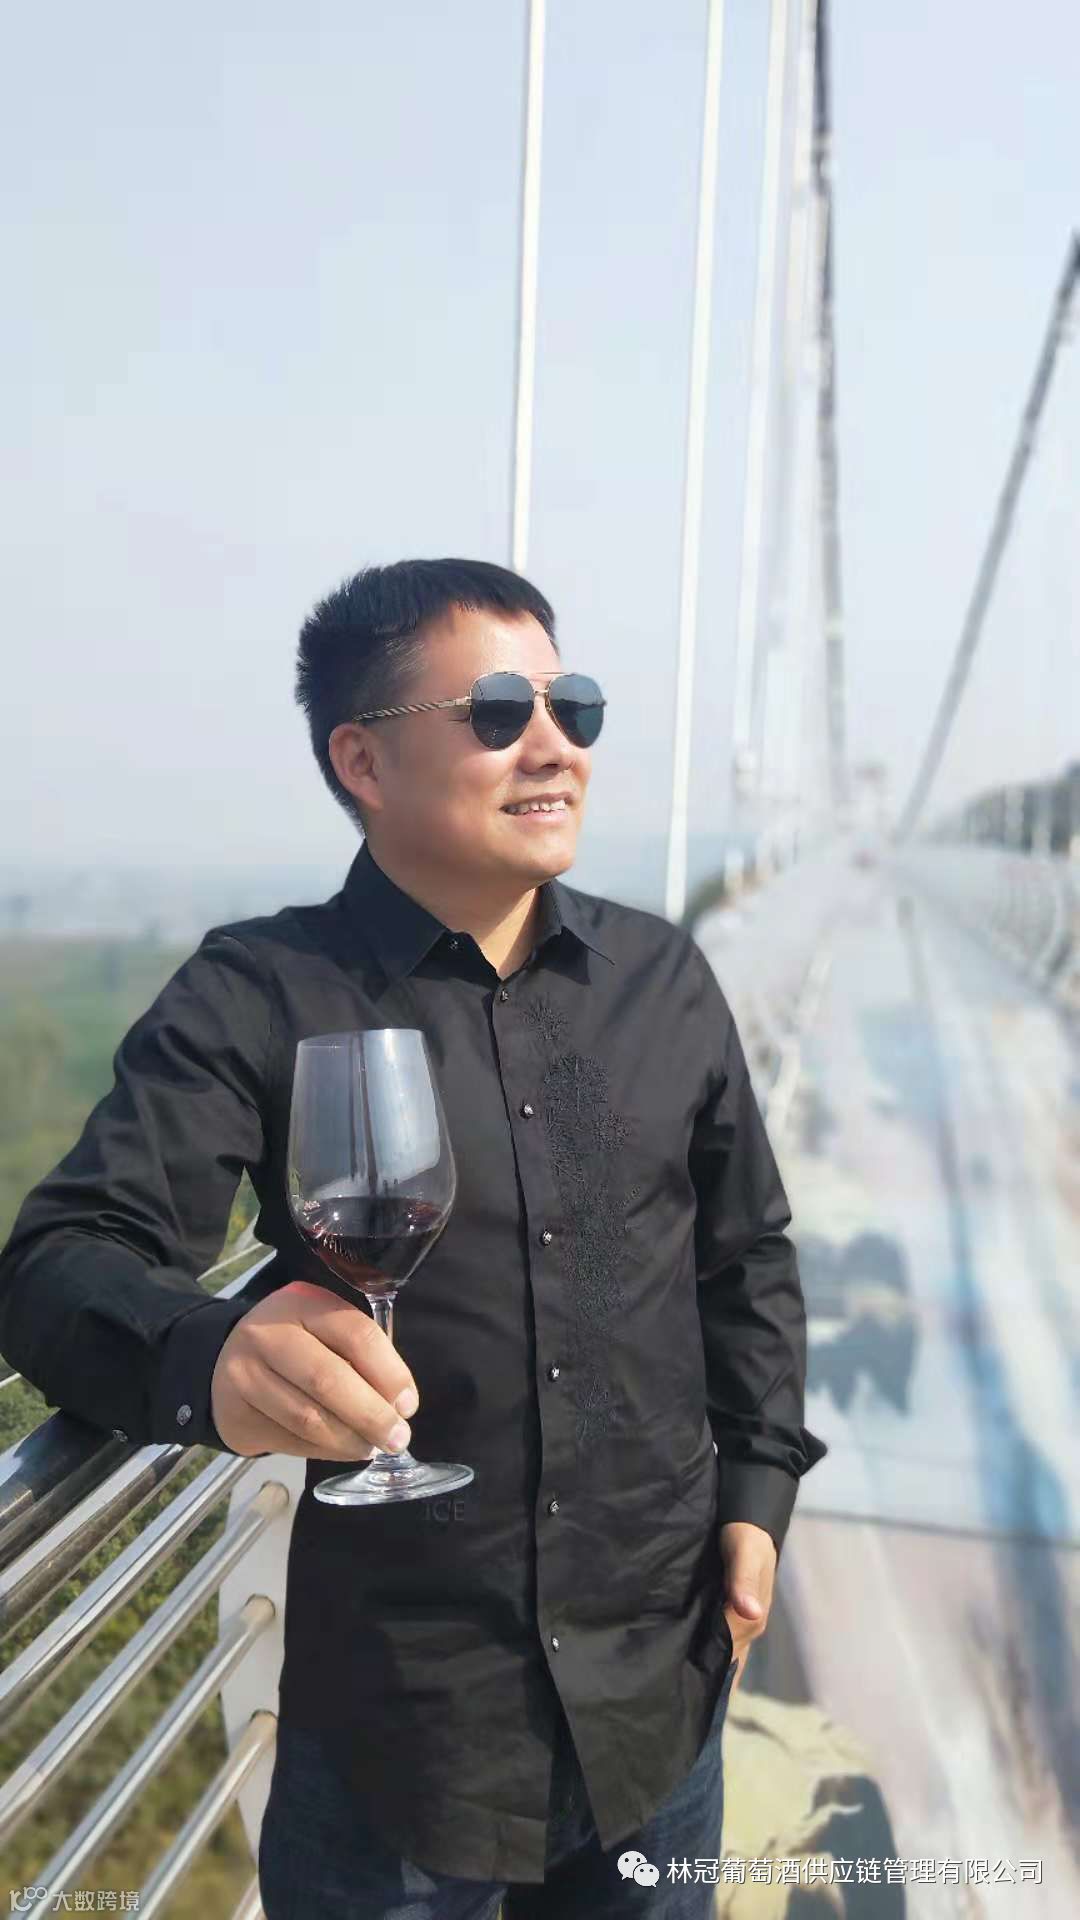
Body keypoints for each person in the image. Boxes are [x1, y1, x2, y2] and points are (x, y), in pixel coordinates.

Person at [0, 557, 828, 1918]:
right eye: (499, 712)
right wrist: (214, 1357)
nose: (554, 744)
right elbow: (61, 1260)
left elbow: (746, 1261)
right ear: (364, 761)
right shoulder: (263, 992)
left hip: (659, 1702)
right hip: (401, 1747)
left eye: (574, 706)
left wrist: (758, 1492)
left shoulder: (664, 979)